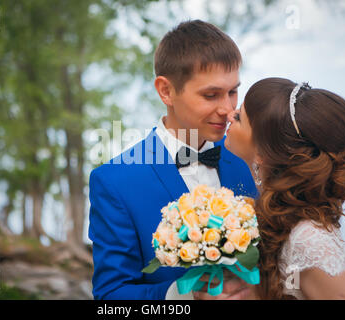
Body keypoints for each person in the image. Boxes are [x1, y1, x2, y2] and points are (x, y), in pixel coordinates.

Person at [88, 20, 258, 300]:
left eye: (232, 92)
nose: (228, 110)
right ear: (166, 91)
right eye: (211, 95)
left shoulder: (249, 162)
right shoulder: (114, 182)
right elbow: (111, 298)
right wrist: (185, 297)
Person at [225, 77, 345, 299]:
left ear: (263, 153)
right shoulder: (275, 217)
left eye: (240, 117)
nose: (229, 115)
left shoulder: (308, 239)